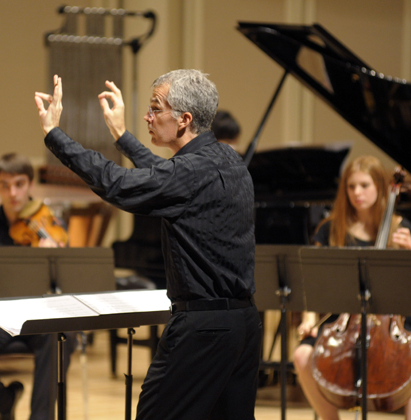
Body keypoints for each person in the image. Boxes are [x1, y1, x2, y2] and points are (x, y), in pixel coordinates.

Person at [35, 70, 262, 420]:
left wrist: (55, 134)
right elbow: (167, 177)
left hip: (202, 330)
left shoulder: (188, 174)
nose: (148, 117)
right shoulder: (230, 160)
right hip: (243, 325)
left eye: (156, 108)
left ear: (185, 119)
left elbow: (116, 183)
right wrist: (122, 136)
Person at [292, 155, 411, 420]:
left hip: (391, 323)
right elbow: (311, 283)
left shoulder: (402, 229)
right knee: (302, 355)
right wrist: (310, 318)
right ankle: (329, 418)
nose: (356, 193)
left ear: (380, 187)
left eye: (364, 185)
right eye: (351, 186)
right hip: (342, 321)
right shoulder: (330, 229)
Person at [0, 152, 77, 420]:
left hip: (39, 317)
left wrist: (53, 258)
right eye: (5, 185)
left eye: (19, 184)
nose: (13, 193)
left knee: (60, 339)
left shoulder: (51, 224)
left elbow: (68, 284)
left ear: (30, 184)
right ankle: (1, 403)